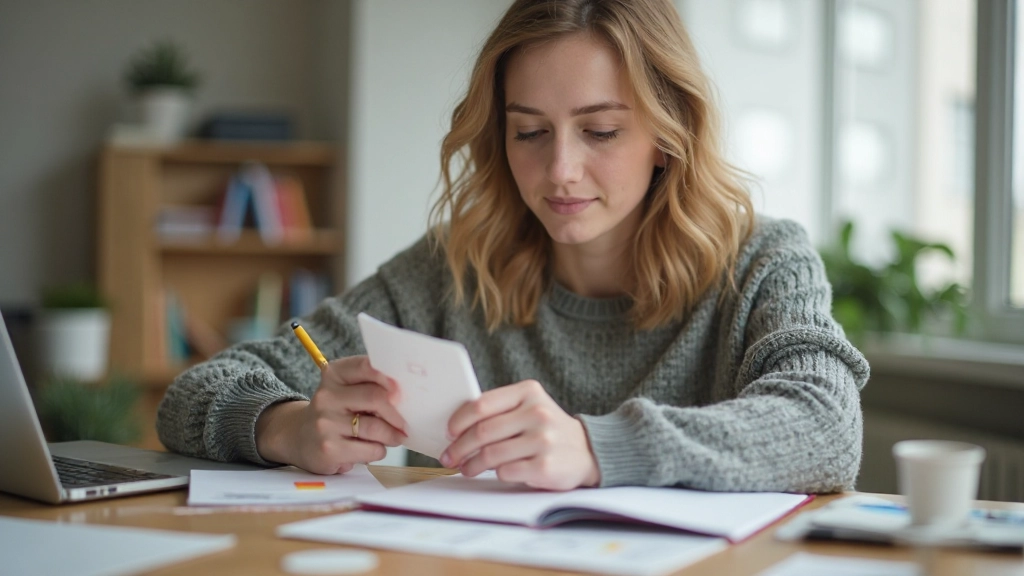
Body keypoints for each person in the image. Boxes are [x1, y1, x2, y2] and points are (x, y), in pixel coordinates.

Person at [156, 0, 869, 493]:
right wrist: (289, 427)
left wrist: (596, 449)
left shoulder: (764, 262)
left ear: (667, 133)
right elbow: (194, 393)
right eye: (529, 131)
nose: (559, 170)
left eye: (601, 131)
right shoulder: (452, 270)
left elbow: (825, 426)